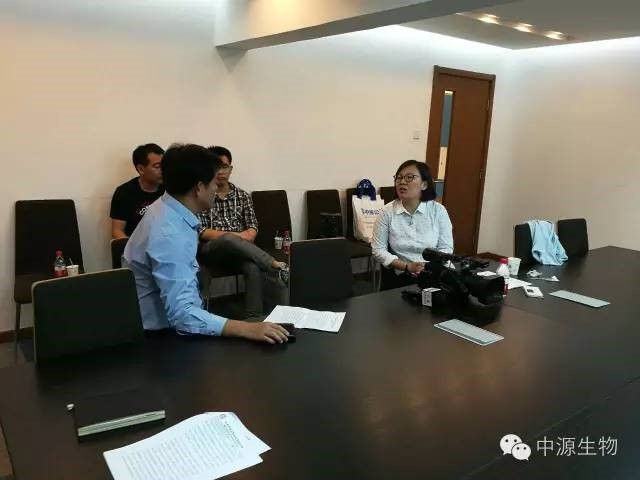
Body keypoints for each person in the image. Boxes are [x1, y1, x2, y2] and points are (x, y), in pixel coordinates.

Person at [123, 143, 290, 344]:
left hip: (172, 324)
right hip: (163, 337)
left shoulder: (167, 208)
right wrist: (246, 328)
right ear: (199, 188)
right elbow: (183, 316)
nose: (216, 188)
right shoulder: (169, 234)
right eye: (213, 183)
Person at [197, 146, 287, 316]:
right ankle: (273, 265)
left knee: (252, 267)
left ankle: (254, 317)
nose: (221, 172)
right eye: (216, 167)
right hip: (211, 250)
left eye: (224, 166)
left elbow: (252, 228)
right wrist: (235, 236)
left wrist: (242, 237)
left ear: (230, 169)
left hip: (239, 251)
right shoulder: (203, 194)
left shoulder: (242, 196)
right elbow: (202, 231)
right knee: (227, 239)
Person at [371, 160, 453, 290]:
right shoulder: (386, 212)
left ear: (424, 184)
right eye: (399, 178)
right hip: (402, 274)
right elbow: (378, 250)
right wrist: (407, 267)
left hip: (435, 273)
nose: (402, 182)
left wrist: (428, 267)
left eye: (409, 177)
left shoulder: (438, 211)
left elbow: (446, 247)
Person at [110, 143, 165, 239]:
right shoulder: (124, 193)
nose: (163, 170)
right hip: (137, 245)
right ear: (141, 169)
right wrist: (131, 247)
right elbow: (117, 231)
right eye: (157, 167)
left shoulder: (171, 188)